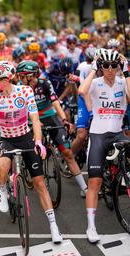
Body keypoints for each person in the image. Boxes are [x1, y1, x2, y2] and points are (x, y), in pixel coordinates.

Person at [0, 61, 63, 243]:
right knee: (3, 166)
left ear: (5, 80)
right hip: (7, 140)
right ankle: (3, 189)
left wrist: (38, 141)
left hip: (25, 137)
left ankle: (53, 226)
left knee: (39, 183)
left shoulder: (25, 92)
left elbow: (34, 118)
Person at [78, 49, 130, 243]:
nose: (110, 69)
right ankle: (91, 226)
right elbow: (82, 91)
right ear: (101, 67)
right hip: (98, 135)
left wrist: (126, 72)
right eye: (106, 66)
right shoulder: (96, 83)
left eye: (113, 66)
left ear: (118, 67)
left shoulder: (123, 81)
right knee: (95, 182)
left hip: (118, 133)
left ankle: (123, 178)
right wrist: (93, 68)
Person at [16, 60, 88, 196]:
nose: (19, 79)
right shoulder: (19, 87)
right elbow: (20, 110)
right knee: (35, 149)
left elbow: (55, 103)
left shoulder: (44, 83)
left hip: (49, 115)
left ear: (31, 75)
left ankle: (84, 187)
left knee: (67, 153)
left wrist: (65, 120)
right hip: (30, 118)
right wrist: (34, 122)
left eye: (22, 76)